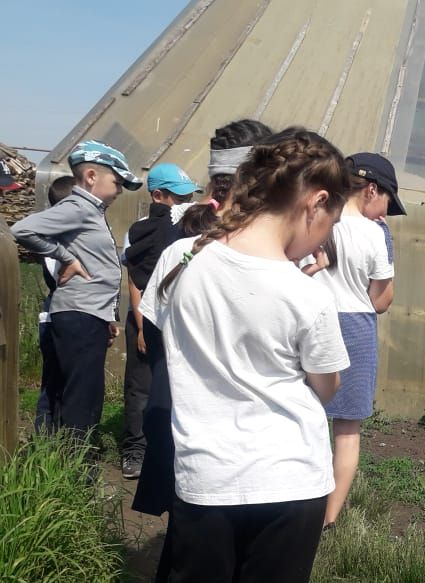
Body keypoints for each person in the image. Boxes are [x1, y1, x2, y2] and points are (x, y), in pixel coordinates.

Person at [111, 127, 353, 583]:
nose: (325, 237)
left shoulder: (184, 259)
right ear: (315, 200)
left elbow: (156, 331)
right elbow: (325, 388)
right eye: (330, 220)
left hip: (206, 479)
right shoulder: (307, 293)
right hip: (292, 484)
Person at [133, 119, 273, 518]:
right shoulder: (286, 266)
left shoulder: (180, 254)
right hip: (257, 453)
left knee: (186, 557)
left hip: (188, 437)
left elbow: (158, 343)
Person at [11, 140, 143, 443]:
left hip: (89, 314)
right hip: (78, 313)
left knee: (82, 394)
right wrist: (65, 257)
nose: (120, 189)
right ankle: (75, 468)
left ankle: (69, 460)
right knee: (82, 400)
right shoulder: (78, 208)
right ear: (92, 176)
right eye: (117, 181)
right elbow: (23, 230)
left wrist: (108, 317)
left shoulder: (92, 210)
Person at [316, 152, 406, 528]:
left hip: (310, 319)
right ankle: (327, 520)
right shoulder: (375, 233)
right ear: (372, 189)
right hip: (354, 326)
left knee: (304, 419)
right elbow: (381, 301)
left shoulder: (315, 218)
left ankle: (293, 506)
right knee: (347, 430)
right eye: (387, 201)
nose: (386, 212)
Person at [121, 164, 202, 479]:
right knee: (140, 386)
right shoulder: (141, 228)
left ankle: (170, 450)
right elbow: (135, 280)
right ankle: (135, 451)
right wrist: (142, 325)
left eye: (189, 195)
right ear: (158, 195)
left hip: (179, 318)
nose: (186, 201)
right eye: (179, 196)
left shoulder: (189, 224)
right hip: (147, 315)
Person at [33, 175, 75, 433]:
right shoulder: (56, 239)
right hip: (58, 314)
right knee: (53, 383)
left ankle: (52, 436)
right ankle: (44, 438)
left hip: (57, 312)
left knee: (58, 381)